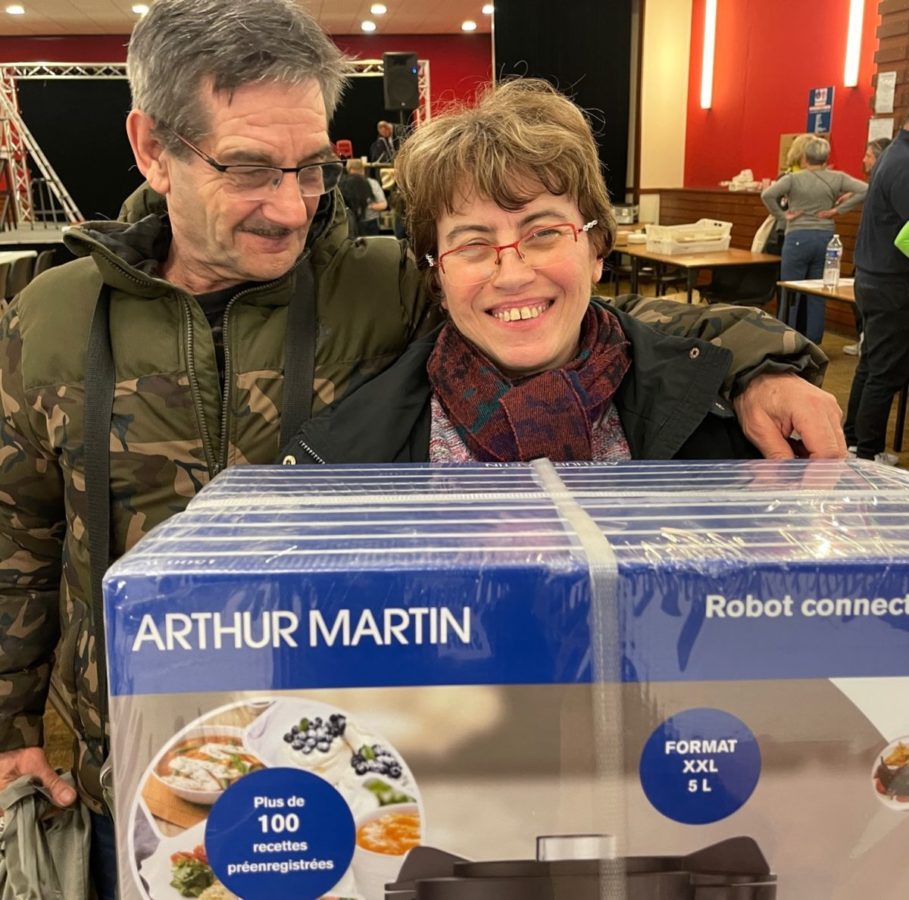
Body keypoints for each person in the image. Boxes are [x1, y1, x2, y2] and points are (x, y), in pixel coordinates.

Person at [0, 3, 844, 896]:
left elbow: (580, 319)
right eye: (247, 168)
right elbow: (17, 538)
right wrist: (9, 726)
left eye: (311, 168)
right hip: (143, 759)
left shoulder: (379, 286)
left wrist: (758, 362)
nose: (288, 207)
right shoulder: (52, 318)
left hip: (339, 751)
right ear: (151, 148)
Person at [281, 79, 846, 467]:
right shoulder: (355, 451)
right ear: (438, 278)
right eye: (472, 244)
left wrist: (761, 372)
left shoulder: (725, 420)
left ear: (597, 248)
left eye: (543, 233)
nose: (512, 273)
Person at [843, 115, 909, 464]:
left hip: (873, 276)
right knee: (884, 373)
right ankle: (867, 454)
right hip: (891, 283)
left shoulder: (893, 153)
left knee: (870, 364)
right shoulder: (905, 162)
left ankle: (853, 440)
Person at [761, 137, 867, 344]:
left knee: (791, 291)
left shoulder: (793, 179)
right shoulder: (837, 178)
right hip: (826, 237)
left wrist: (783, 216)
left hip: (798, 237)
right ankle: (814, 341)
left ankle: (787, 340)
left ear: (804, 157)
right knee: (818, 292)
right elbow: (865, 189)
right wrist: (838, 209)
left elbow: (767, 195)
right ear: (827, 158)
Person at [843, 136, 892, 356]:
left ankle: (867, 340)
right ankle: (864, 338)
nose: (864, 160)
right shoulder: (875, 183)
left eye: (869, 155)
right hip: (867, 256)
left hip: (880, 261)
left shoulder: (887, 183)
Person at [339, 157, 387, 235]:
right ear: (363, 170)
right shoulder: (372, 183)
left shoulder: (343, 184)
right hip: (362, 223)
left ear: (349, 170)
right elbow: (383, 205)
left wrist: (367, 206)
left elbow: (383, 205)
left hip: (358, 223)